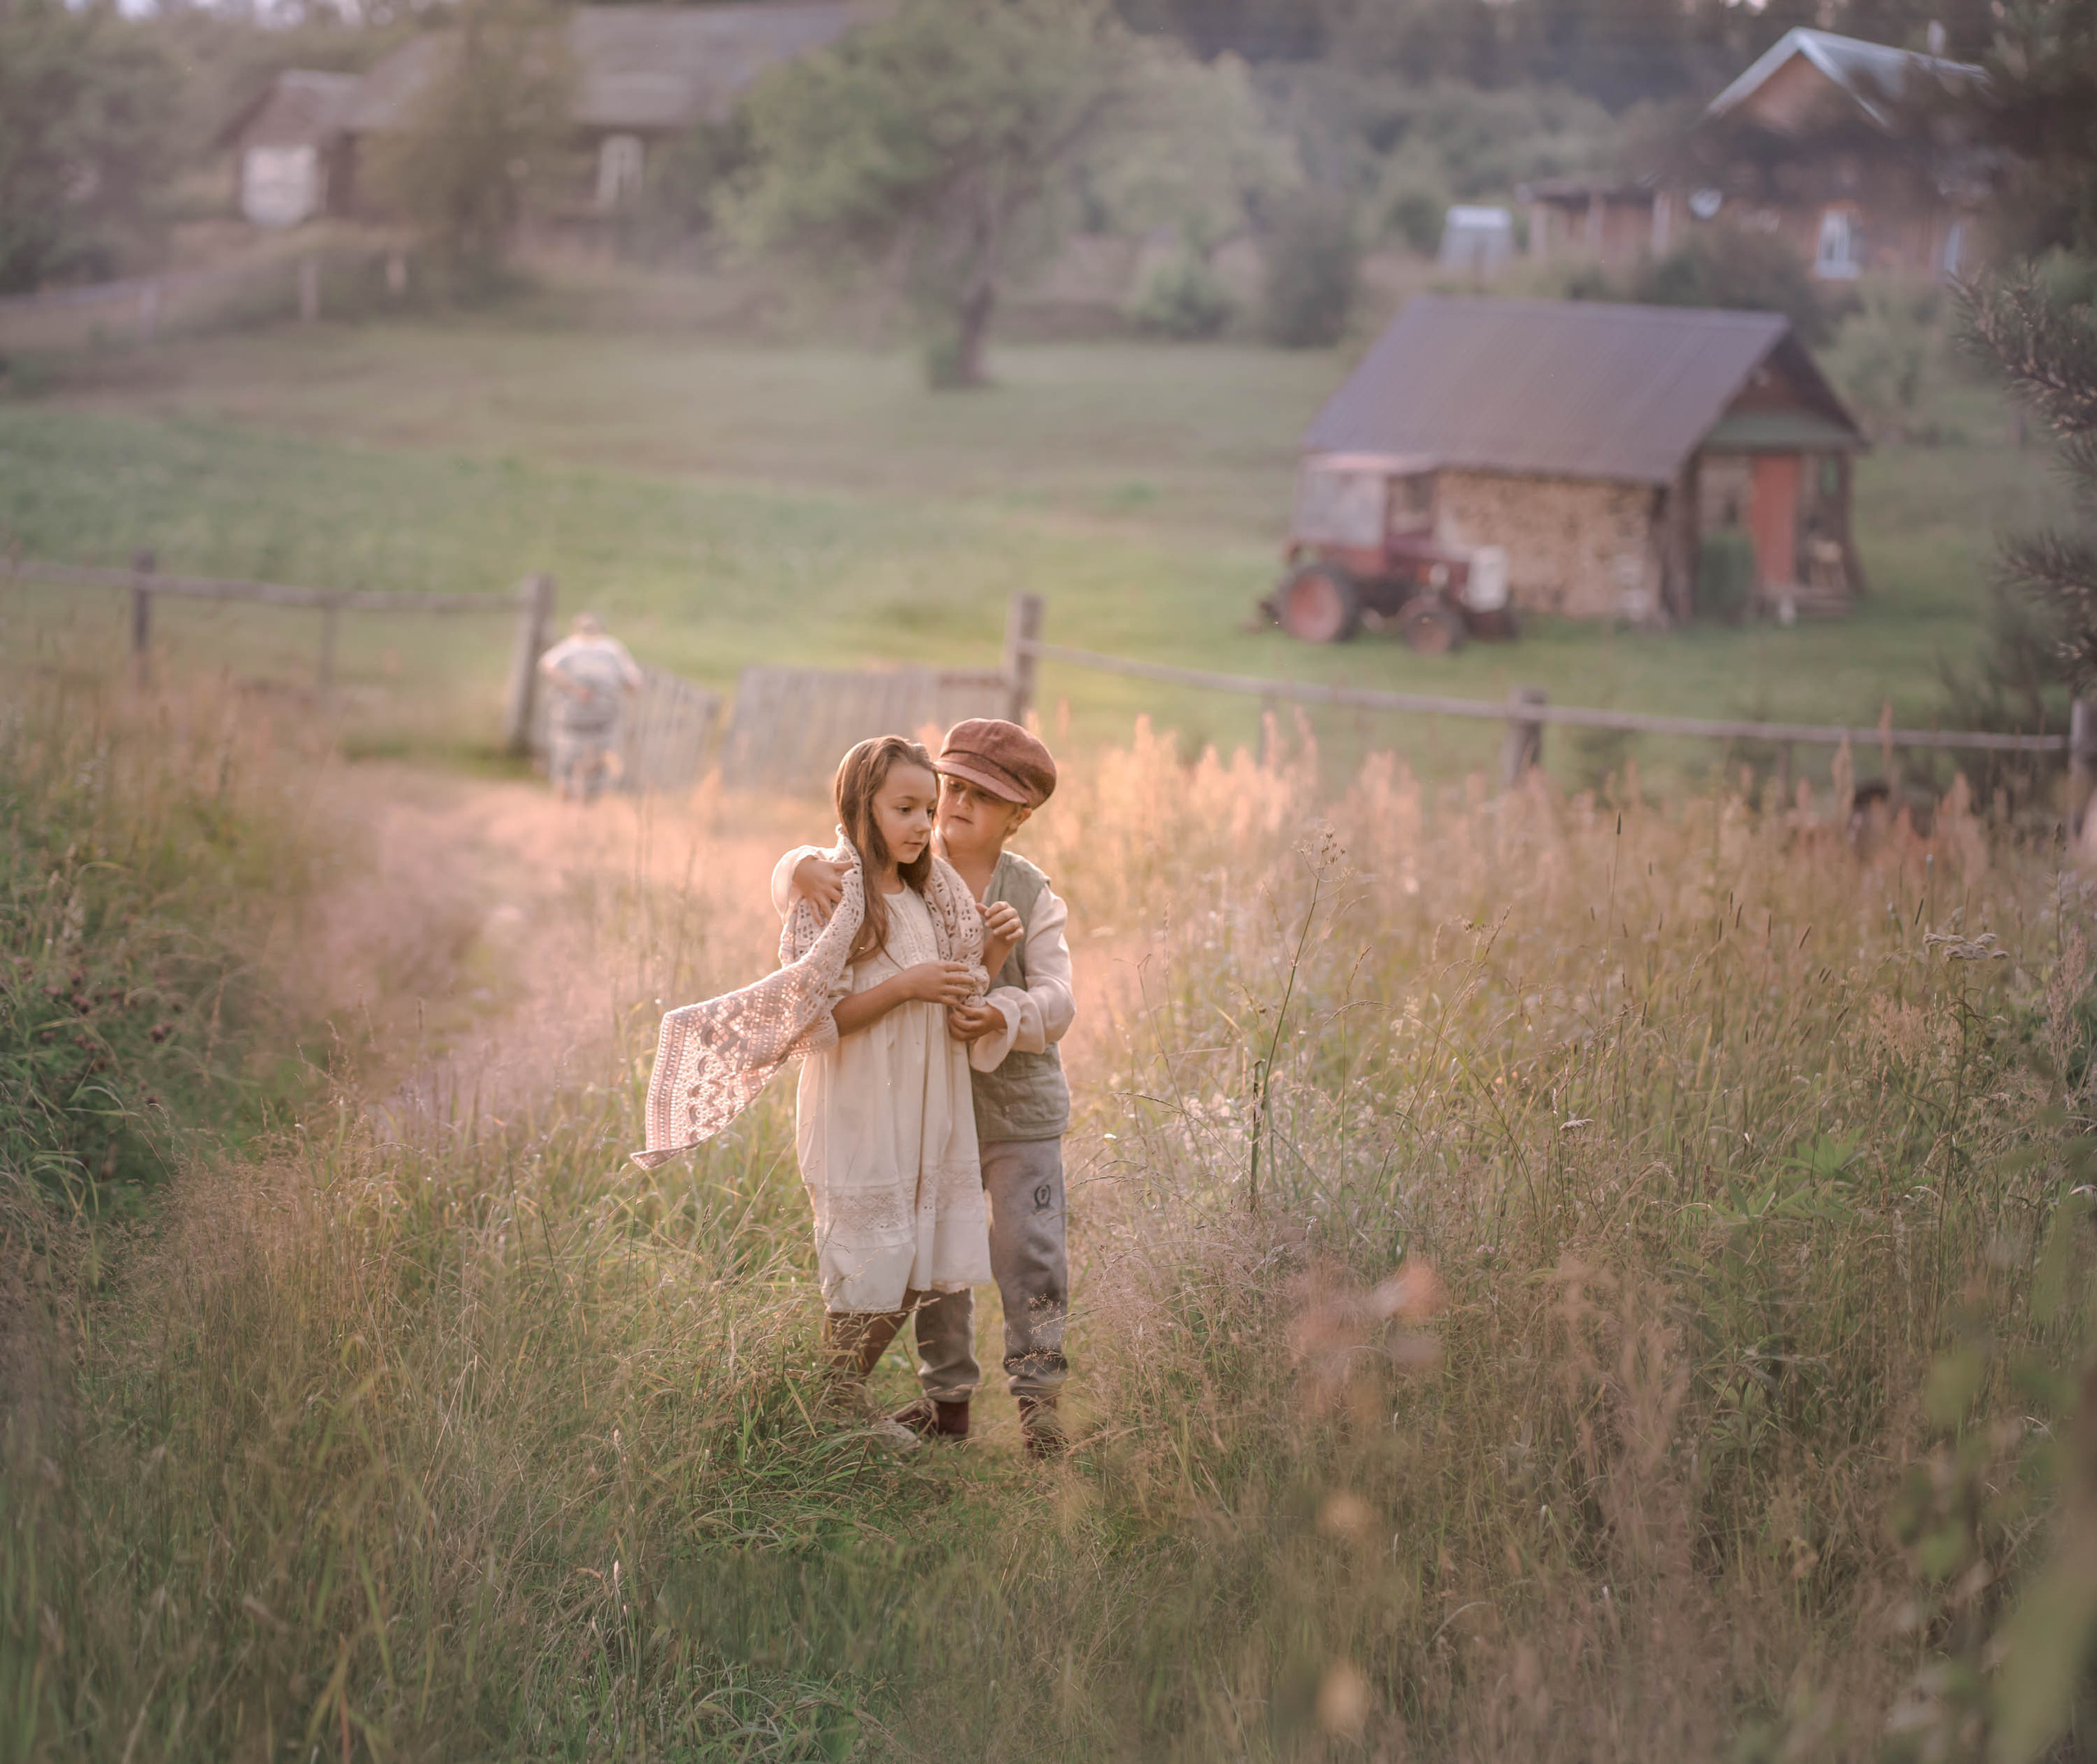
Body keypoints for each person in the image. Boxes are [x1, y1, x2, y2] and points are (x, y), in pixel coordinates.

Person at [633, 735, 1019, 1450]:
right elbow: (813, 1022)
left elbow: (960, 988)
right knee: (866, 1262)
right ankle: (826, 1404)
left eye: (927, 810)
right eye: (903, 807)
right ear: (859, 804)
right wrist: (902, 987)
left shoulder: (934, 894)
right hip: (859, 1105)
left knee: (915, 1261)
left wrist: (988, 956)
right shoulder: (833, 891)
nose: (919, 824)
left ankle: (834, 1403)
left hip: (926, 1103)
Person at [775, 719, 1074, 1459]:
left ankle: (1040, 1409)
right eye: (955, 790)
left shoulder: (1025, 890)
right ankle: (946, 1404)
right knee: (939, 1261)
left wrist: (1002, 998)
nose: (955, 807)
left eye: (983, 796)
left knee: (1023, 1252)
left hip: (1011, 1105)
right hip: (919, 1106)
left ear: (1019, 816)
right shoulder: (912, 864)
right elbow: (827, 859)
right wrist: (790, 869)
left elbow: (1054, 999)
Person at [537, 612, 643, 803]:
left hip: (569, 715)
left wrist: (573, 688)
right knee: (600, 758)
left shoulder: (569, 647)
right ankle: (591, 805)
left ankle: (564, 802)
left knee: (566, 758)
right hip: (603, 716)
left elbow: (546, 666)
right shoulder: (612, 649)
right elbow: (634, 681)